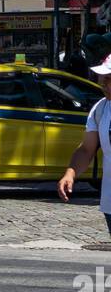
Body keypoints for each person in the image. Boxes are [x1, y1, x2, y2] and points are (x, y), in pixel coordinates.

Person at [58, 54, 111, 241]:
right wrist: (70, 173)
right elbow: (87, 149)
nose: (103, 83)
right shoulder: (100, 109)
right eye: (102, 78)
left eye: (109, 78)